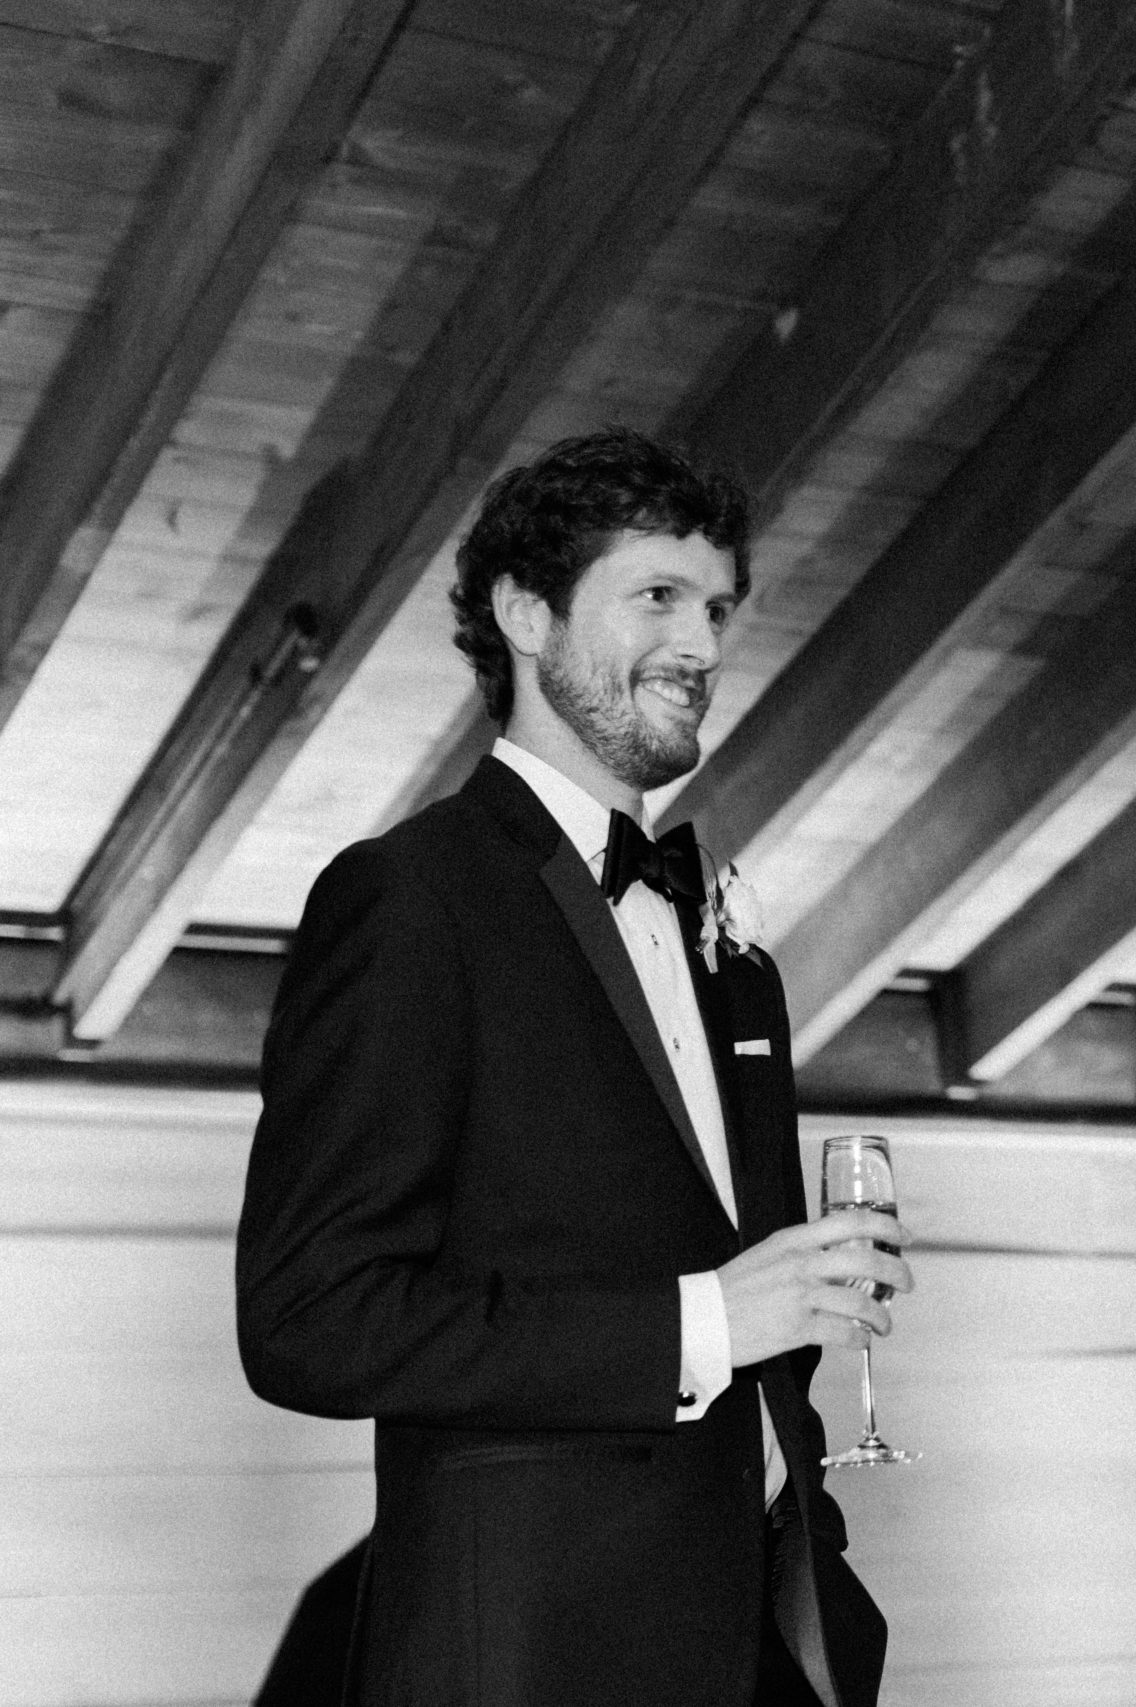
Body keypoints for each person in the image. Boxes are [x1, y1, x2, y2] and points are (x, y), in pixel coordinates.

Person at [236, 428, 908, 1707]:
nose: (702, 645)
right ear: (526, 614)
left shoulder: (731, 954)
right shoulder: (411, 900)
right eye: (657, 596)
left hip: (760, 1646)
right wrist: (705, 1324)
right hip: (531, 1655)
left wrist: (806, 1546)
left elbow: (756, 1311)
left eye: (717, 608)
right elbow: (308, 1322)